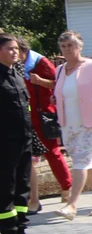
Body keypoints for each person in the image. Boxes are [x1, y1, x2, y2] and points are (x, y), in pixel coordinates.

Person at [53, 31, 92, 220]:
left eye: (70, 46)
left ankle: (72, 205)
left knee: (80, 162)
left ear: (79, 46)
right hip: (68, 124)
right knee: (88, 165)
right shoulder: (60, 70)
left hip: (90, 122)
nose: (67, 50)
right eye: (63, 46)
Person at [0, 34, 44, 234]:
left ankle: (20, 232)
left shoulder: (17, 74)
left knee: (22, 188)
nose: (15, 52)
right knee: (5, 190)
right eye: (9, 49)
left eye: (16, 48)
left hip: (23, 141)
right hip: (4, 145)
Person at [16, 38, 72, 210]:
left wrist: (40, 81)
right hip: (26, 115)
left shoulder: (41, 62)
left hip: (43, 114)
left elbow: (58, 83)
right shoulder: (15, 66)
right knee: (28, 159)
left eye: (16, 51)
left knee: (52, 152)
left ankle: (67, 187)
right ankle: (33, 198)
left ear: (23, 50)